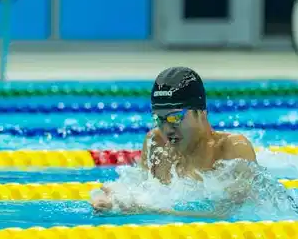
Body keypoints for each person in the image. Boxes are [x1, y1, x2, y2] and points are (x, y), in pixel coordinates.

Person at [89, 66, 260, 219]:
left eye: (175, 117)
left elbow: (228, 214)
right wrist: (111, 201)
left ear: (201, 113)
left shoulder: (232, 149)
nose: (167, 128)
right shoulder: (155, 142)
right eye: (159, 119)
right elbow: (138, 187)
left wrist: (146, 210)